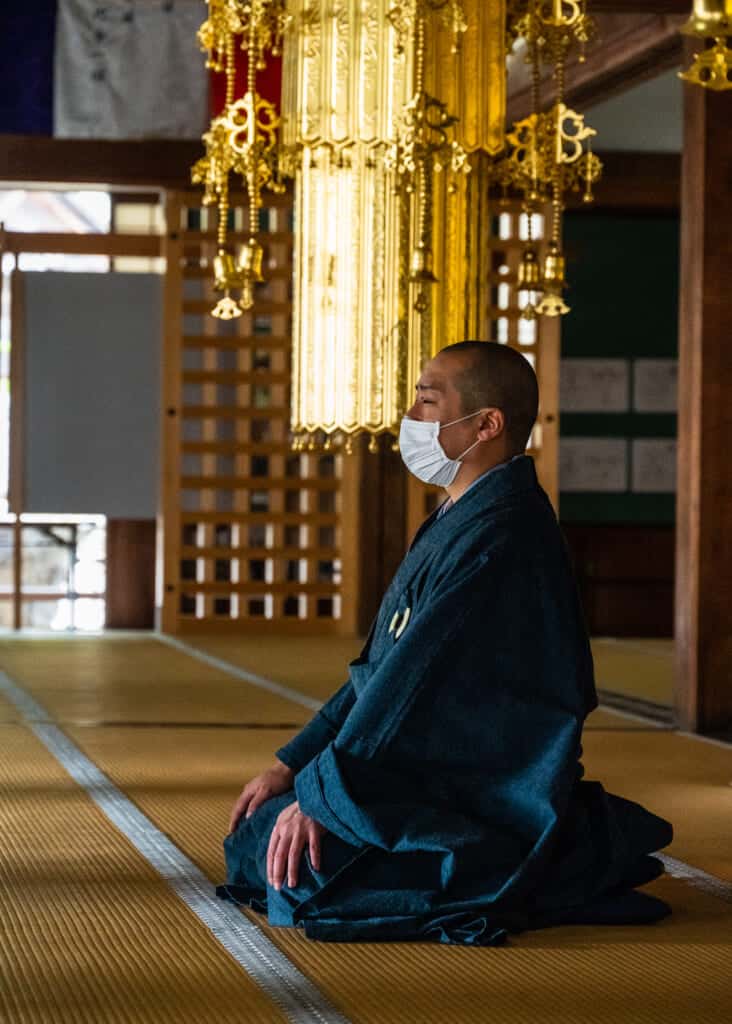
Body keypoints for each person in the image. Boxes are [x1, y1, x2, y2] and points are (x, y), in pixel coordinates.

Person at [217, 340, 673, 946]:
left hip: (480, 775)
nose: (411, 416)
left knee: (299, 867)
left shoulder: (505, 534)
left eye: (428, 401)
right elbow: (380, 670)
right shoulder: (456, 518)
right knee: (261, 832)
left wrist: (323, 797)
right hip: (423, 759)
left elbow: (411, 685)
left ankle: (546, 853)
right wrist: (293, 765)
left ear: (487, 424)